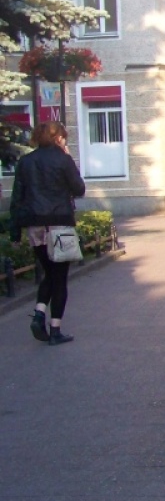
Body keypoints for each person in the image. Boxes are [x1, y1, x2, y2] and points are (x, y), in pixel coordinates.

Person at [8, 121, 86, 346]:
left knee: (49, 274)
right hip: (60, 224)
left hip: (36, 226)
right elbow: (79, 189)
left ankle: (39, 314)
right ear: (57, 138)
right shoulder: (63, 159)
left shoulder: (25, 162)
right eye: (63, 137)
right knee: (59, 278)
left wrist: (14, 233)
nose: (64, 140)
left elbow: (17, 198)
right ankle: (55, 330)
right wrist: (70, 161)